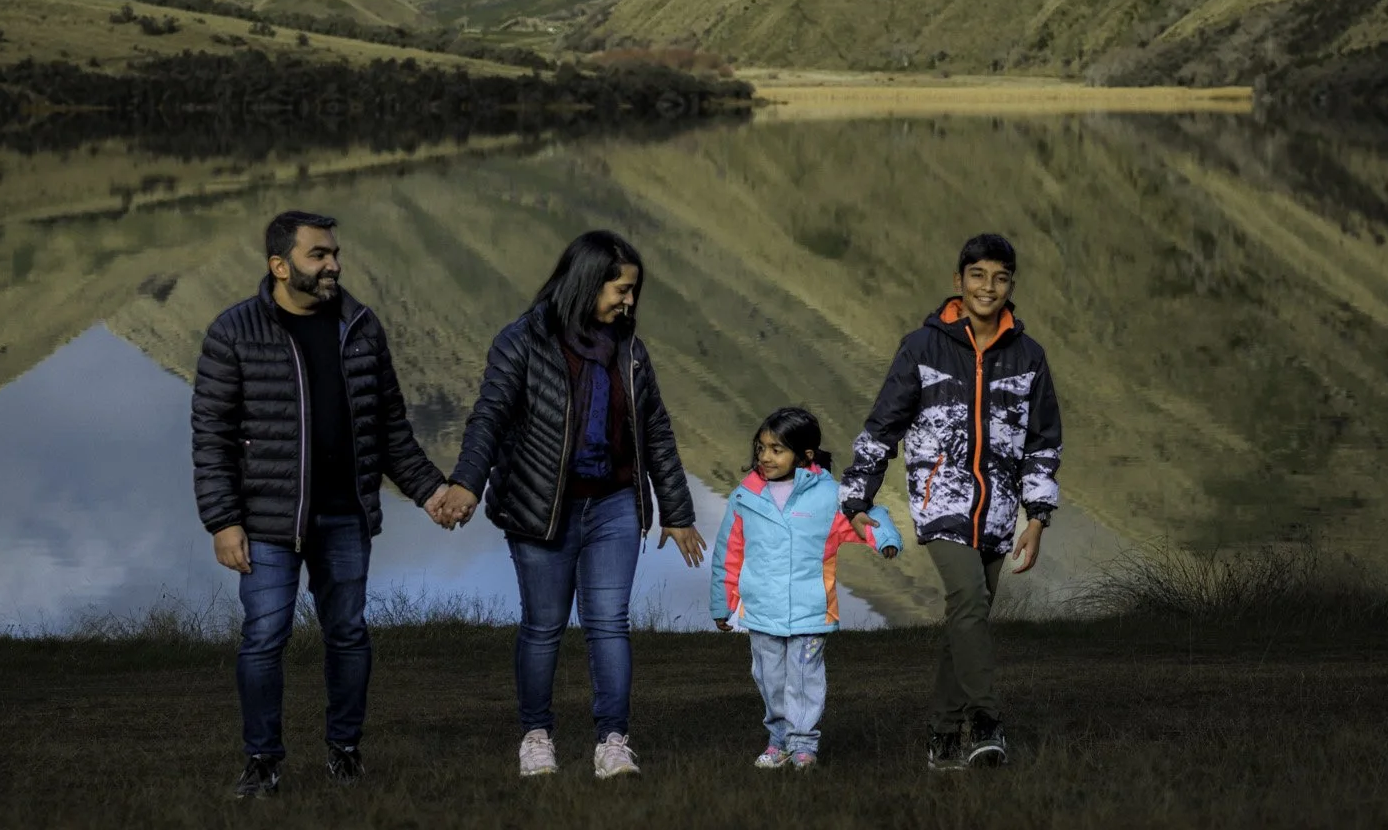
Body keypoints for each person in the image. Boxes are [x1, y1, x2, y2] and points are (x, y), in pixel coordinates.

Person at [191, 209, 457, 798]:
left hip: (345, 517)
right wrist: (223, 519)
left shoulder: (361, 326)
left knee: (348, 634)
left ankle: (345, 750)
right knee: (264, 636)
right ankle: (262, 759)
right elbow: (211, 435)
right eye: (318, 255)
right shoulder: (233, 332)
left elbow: (389, 430)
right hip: (265, 521)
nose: (333, 264)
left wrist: (431, 491)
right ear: (280, 266)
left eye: (334, 252)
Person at [438, 229, 706, 780]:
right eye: (621, 289)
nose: (629, 301)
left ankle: (613, 740)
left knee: (610, 623)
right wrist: (466, 483)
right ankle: (536, 737)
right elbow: (488, 417)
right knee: (543, 626)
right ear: (587, 281)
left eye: (634, 291)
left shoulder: (630, 353)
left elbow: (655, 431)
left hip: (613, 506)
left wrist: (677, 512)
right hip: (540, 509)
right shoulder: (522, 340)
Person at [838, 234, 1062, 771]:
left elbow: (1042, 442)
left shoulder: (1029, 357)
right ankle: (987, 722)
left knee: (968, 615)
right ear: (958, 282)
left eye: (1000, 277)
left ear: (1011, 286)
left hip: (1002, 507)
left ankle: (941, 738)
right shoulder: (922, 347)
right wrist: (856, 497)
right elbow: (884, 424)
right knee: (967, 599)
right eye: (978, 275)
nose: (989, 287)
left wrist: (1038, 519)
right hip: (942, 500)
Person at [708, 405, 902, 769]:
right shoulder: (745, 496)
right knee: (770, 679)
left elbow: (868, 515)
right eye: (761, 448)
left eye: (776, 449)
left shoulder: (830, 497)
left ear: (805, 455)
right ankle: (778, 739)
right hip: (761, 611)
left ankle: (803, 744)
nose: (765, 457)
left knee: (803, 679)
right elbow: (728, 552)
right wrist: (723, 602)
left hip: (811, 611)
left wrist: (884, 539)